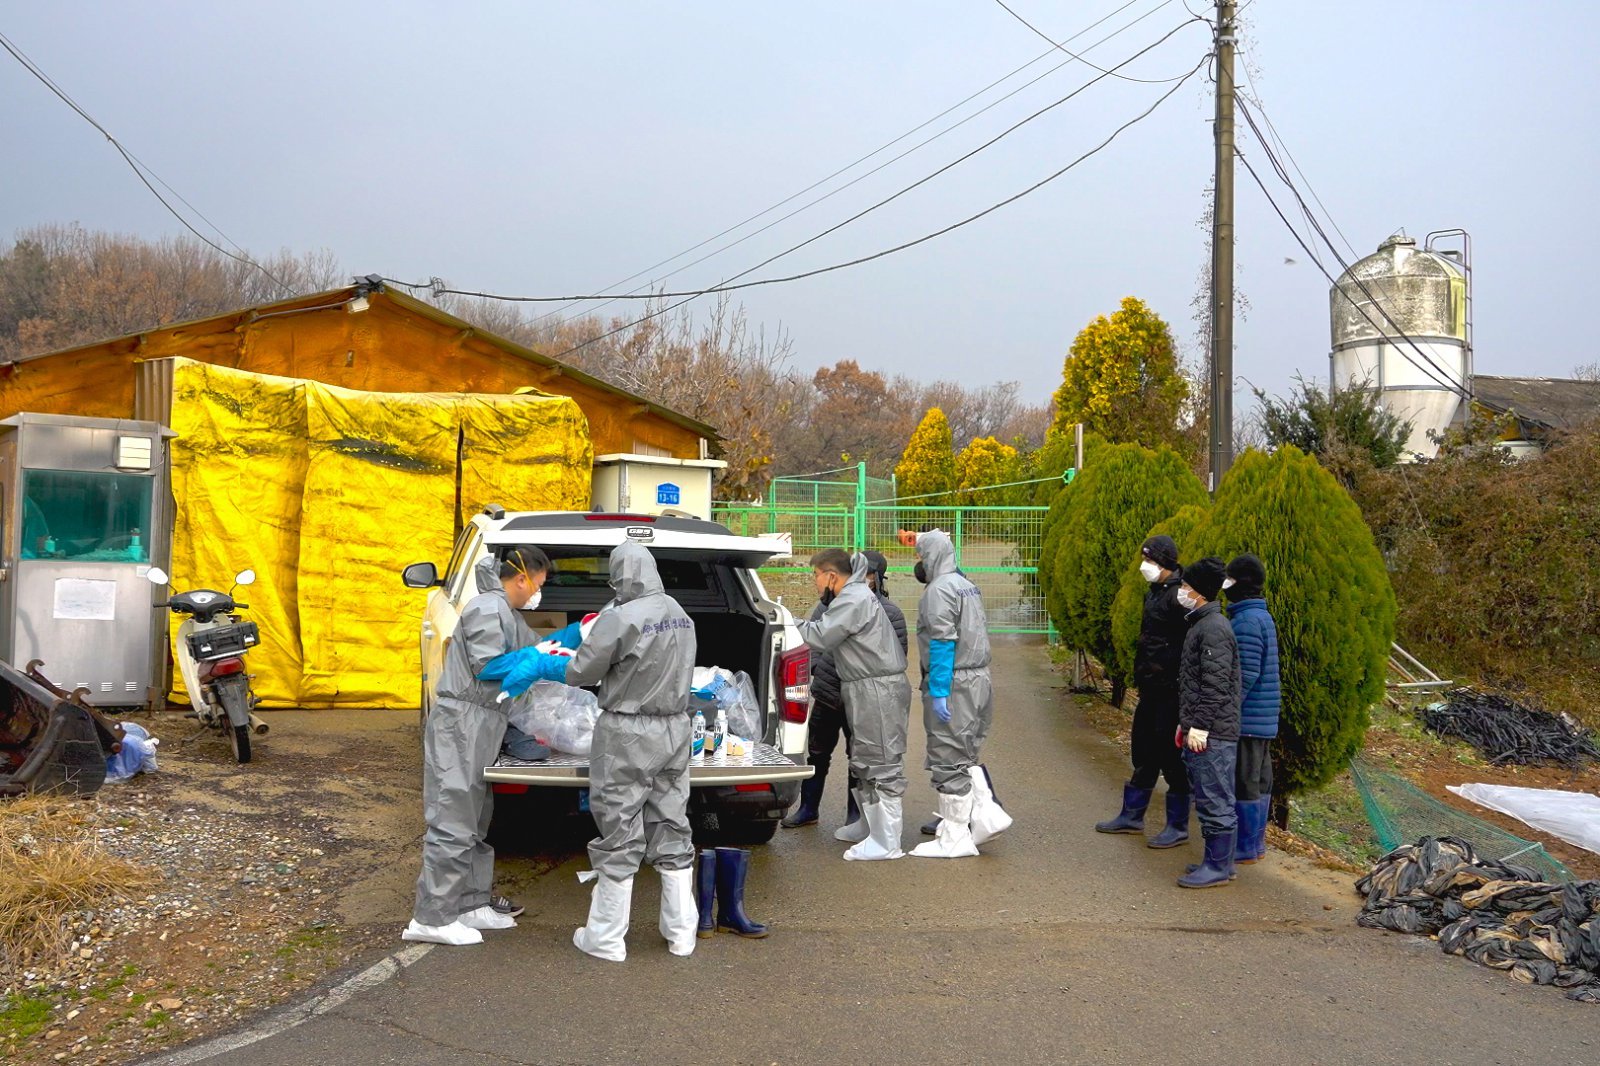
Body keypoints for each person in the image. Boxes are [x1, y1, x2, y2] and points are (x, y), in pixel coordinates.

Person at [511, 541, 700, 961]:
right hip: (675, 727)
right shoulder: (680, 615)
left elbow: (582, 671)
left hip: (628, 732)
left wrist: (549, 662)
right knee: (671, 821)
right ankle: (681, 933)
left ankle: (606, 938)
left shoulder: (619, 618)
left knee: (619, 827)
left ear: (619, 576)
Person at [403, 547, 550, 947]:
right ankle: (431, 917)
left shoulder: (504, 611)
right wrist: (539, 665)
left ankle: (469, 904)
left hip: (482, 724)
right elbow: (490, 666)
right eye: (539, 585)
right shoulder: (487, 608)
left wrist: (571, 645)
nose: (539, 594)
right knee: (453, 819)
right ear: (522, 578)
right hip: (462, 724)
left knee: (475, 818)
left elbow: (536, 647)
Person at [897, 528, 1012, 858]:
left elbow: (943, 641)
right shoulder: (967, 585)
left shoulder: (939, 590)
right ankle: (974, 822)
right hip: (978, 680)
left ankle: (955, 837)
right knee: (965, 753)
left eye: (920, 555)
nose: (918, 562)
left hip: (956, 682)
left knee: (948, 754)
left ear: (932, 555)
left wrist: (939, 689)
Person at [795, 548, 912, 861]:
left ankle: (887, 842)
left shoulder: (853, 598)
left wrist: (784, 621)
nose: (815, 584)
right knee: (864, 759)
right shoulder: (856, 595)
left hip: (876, 688)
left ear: (831, 575)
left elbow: (820, 636)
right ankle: (869, 826)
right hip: (862, 686)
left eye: (816, 576)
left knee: (881, 761)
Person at [1094, 536, 1192, 848]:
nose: (1145, 566)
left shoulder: (1180, 597)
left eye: (1150, 560)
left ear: (1164, 563)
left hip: (1172, 693)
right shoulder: (1155, 593)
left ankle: (1177, 826)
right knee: (1144, 750)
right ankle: (1132, 815)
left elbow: (1187, 645)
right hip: (1151, 689)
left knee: (1173, 759)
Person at [1173, 556, 1242, 890]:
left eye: (1186, 586)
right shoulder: (1202, 624)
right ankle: (1220, 863)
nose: (1182, 590)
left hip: (1214, 733)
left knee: (1214, 796)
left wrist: (1199, 726)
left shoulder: (1213, 628)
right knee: (1214, 793)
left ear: (1199, 592)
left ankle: (1217, 865)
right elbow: (1196, 683)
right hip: (1206, 728)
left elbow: (1214, 686)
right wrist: (1185, 724)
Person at [1224, 554, 1280, 867]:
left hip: (1248, 718)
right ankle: (1255, 844)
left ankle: (1244, 847)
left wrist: (1226, 711)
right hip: (1264, 717)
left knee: (1245, 782)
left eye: (1229, 579)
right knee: (1259, 782)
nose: (1225, 585)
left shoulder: (1245, 621)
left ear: (1241, 583)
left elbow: (1244, 676)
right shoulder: (1262, 616)